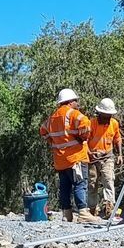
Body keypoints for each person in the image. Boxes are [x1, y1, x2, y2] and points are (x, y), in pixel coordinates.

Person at [39, 88, 94, 223]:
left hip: (60, 160)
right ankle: (83, 213)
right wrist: (83, 138)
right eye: (75, 100)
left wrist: (54, 142)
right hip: (75, 157)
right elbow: (86, 125)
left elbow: (43, 131)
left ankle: (67, 214)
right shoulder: (74, 114)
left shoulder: (52, 118)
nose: (77, 103)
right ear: (69, 102)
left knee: (65, 187)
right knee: (80, 184)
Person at [87, 97, 122, 218]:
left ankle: (109, 207)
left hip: (108, 156)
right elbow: (85, 141)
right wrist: (89, 153)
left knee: (108, 180)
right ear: (100, 113)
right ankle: (92, 209)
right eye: (106, 114)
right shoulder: (91, 123)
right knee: (92, 183)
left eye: (109, 115)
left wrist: (120, 155)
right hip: (93, 157)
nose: (108, 117)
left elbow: (117, 139)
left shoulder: (114, 123)